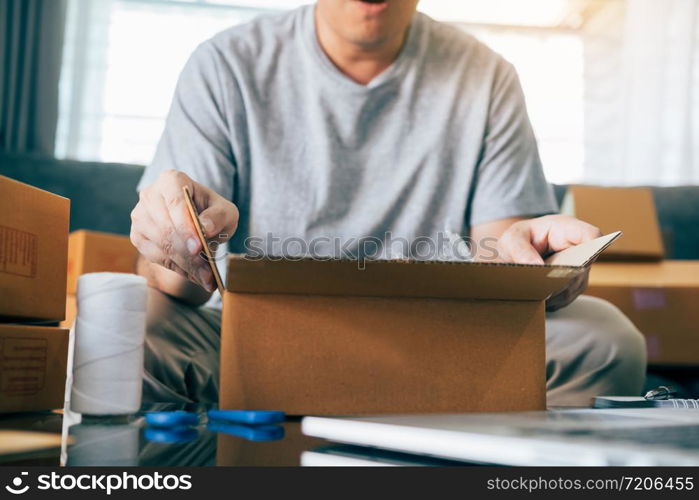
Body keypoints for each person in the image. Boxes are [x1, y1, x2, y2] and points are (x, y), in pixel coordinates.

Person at [130, 0, 646, 406]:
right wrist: (175, 241)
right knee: (130, 334)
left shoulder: (486, 75)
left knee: (604, 339)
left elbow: (503, 261)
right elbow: (178, 286)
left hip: (435, 334)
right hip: (248, 333)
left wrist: (537, 265)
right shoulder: (225, 64)